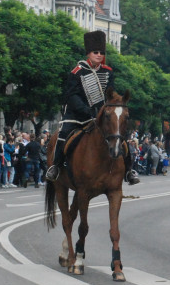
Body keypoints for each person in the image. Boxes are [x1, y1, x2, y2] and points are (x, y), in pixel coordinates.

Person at [46, 31, 139, 185]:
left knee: (120, 136)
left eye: (101, 52)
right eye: (95, 52)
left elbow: (110, 93)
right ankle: (55, 167)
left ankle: (129, 170)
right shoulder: (77, 72)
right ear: (88, 53)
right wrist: (86, 110)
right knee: (63, 133)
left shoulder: (107, 72)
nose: (99, 55)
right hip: (77, 115)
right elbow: (71, 95)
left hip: (100, 114)